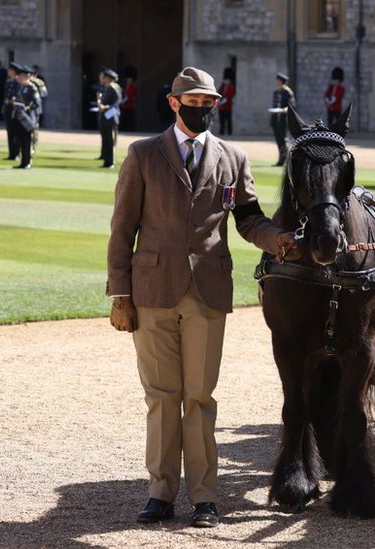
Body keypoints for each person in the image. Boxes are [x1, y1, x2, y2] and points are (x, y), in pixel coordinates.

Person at [106, 66, 300, 529]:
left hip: (207, 290)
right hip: (151, 291)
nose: (203, 109)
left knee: (200, 397)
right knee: (161, 396)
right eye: (194, 102)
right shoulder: (143, 154)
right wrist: (120, 295)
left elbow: (250, 219)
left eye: (210, 102)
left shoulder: (233, 156)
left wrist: (280, 241)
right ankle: (160, 493)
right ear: (175, 103)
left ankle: (205, 498)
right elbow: (122, 229)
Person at [11, 65, 41, 170]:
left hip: (28, 118)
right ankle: (23, 162)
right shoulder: (21, 87)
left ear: (26, 76)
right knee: (21, 140)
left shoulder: (32, 88)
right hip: (20, 118)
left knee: (27, 141)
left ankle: (28, 162)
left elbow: (37, 103)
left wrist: (28, 109)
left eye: (21, 76)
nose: (19, 78)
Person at [97, 67, 122, 168]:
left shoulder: (114, 88)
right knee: (106, 139)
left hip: (111, 117)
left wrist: (105, 108)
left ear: (107, 78)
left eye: (103, 77)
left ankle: (110, 162)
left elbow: (116, 104)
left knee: (110, 140)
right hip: (105, 117)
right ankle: (106, 161)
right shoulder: (107, 88)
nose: (101, 79)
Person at [270, 71, 295, 166]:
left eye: (278, 80)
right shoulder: (276, 92)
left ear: (281, 81)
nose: (277, 82)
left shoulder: (288, 92)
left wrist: (283, 110)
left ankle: (287, 160)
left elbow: (292, 106)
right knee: (278, 140)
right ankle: (281, 160)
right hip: (275, 119)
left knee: (284, 140)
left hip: (283, 120)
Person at [3, 62, 21, 161]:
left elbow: (17, 97)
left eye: (10, 70)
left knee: (16, 132)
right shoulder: (8, 82)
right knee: (10, 132)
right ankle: (11, 153)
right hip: (8, 109)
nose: (9, 72)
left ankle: (16, 153)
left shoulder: (18, 83)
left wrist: (11, 100)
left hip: (15, 109)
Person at [217, 68, 235, 135]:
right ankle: (221, 133)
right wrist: (219, 102)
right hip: (221, 107)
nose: (226, 81)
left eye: (227, 80)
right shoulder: (222, 87)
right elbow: (218, 94)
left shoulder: (231, 88)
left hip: (228, 107)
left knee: (228, 121)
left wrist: (221, 103)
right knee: (222, 121)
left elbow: (229, 97)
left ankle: (229, 133)